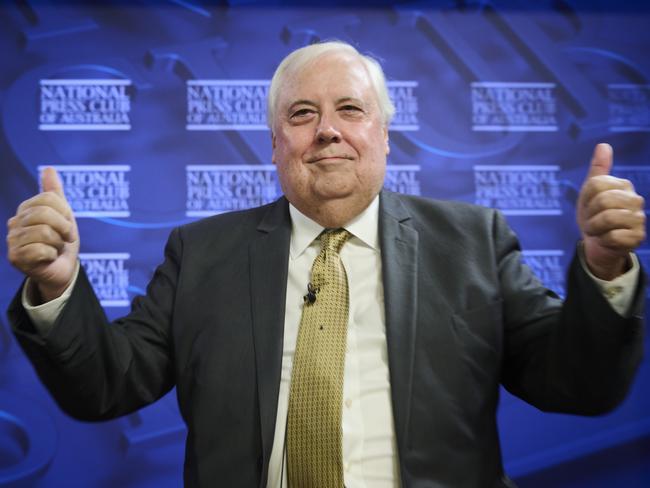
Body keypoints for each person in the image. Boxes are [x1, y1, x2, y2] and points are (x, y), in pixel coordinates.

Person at [6, 41, 646, 488]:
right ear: (276, 144)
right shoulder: (202, 254)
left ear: (385, 136)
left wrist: (604, 266)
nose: (328, 131)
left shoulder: (473, 242)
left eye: (350, 109)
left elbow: (580, 385)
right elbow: (107, 386)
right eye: (302, 114)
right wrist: (57, 285)